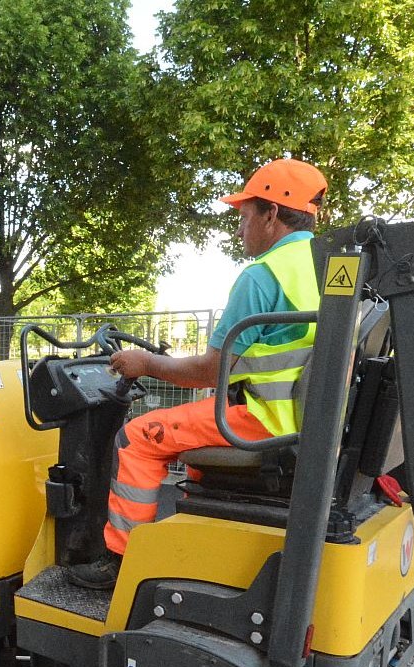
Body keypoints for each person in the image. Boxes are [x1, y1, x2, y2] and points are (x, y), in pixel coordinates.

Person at [67, 158, 327, 589]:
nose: (239, 228)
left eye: (245, 217)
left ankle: (119, 562)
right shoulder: (324, 266)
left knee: (137, 438)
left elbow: (209, 370)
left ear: (272, 214)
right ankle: (197, 538)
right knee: (191, 442)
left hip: (262, 420)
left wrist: (146, 363)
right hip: (301, 419)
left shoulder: (262, 276)